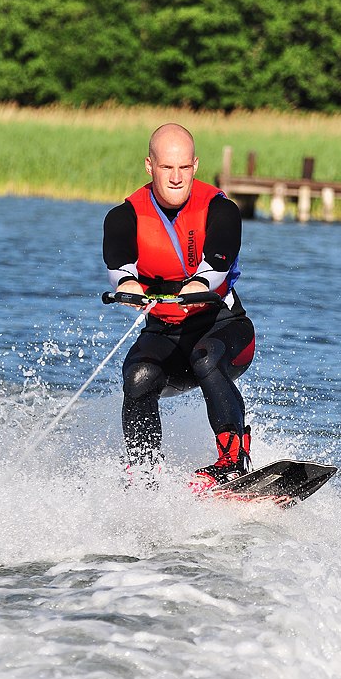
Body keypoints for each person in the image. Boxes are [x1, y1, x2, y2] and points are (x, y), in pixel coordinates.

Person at [102, 123, 255, 489]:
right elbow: (119, 265)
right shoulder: (123, 217)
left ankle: (233, 461)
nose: (175, 177)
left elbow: (218, 264)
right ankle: (144, 476)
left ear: (195, 166)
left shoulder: (221, 210)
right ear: (149, 166)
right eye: (167, 167)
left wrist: (198, 285)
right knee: (138, 376)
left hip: (224, 330)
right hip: (165, 335)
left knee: (205, 358)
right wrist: (127, 284)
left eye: (184, 167)